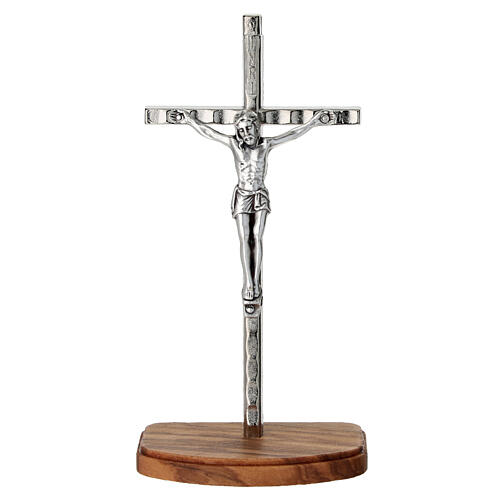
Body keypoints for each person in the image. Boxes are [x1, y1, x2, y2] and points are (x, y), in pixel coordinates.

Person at [169, 108, 327, 300]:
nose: (245, 134)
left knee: (257, 238)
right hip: (243, 195)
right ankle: (249, 282)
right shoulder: (235, 145)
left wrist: (312, 123)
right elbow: (209, 132)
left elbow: (293, 133)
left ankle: (256, 281)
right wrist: (189, 120)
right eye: (241, 130)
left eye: (249, 128)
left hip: (259, 195)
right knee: (245, 238)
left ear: (257, 127)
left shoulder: (265, 145)